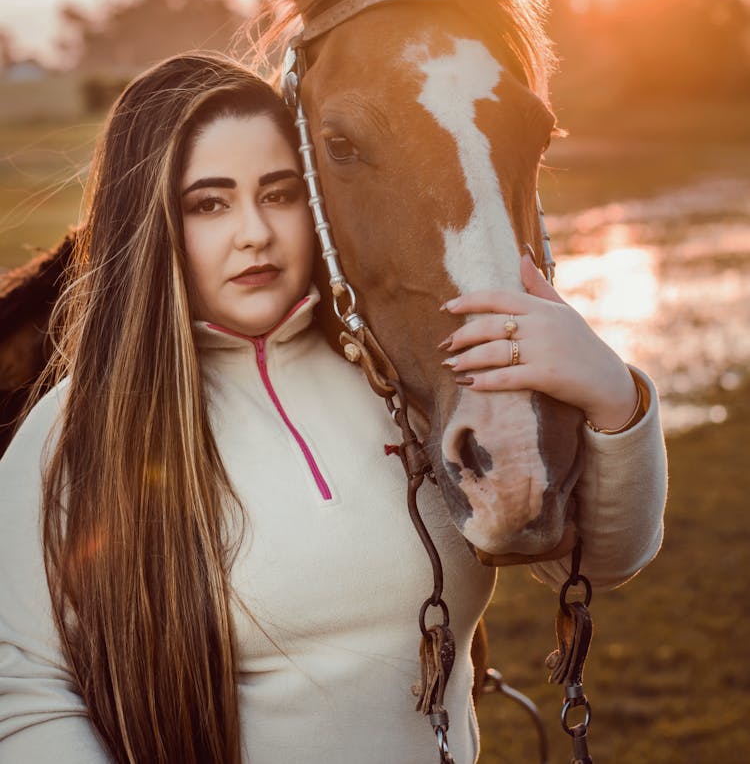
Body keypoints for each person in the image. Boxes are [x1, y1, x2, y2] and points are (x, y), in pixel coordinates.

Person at [0, 51, 667, 764]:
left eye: (279, 192)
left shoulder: (398, 383)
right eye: (210, 202)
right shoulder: (74, 430)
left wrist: (613, 394)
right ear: (154, 221)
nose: (253, 231)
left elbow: (601, 558)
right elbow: (22, 689)